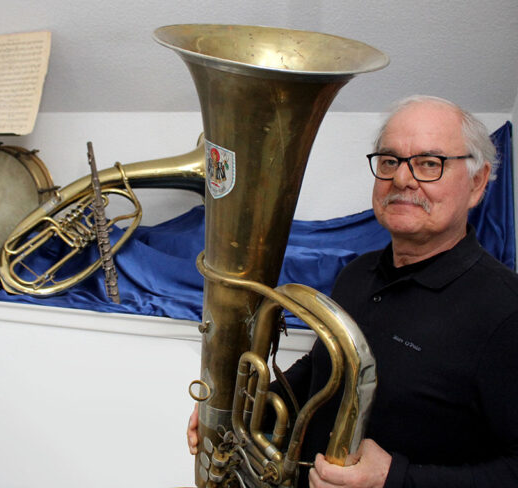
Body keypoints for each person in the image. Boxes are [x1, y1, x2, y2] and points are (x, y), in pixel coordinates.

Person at [186, 95, 518, 488]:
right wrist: (241, 410)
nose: (402, 179)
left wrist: (394, 478)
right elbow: (320, 371)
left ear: (477, 183)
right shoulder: (356, 274)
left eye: (430, 163)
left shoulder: (505, 310)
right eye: (390, 160)